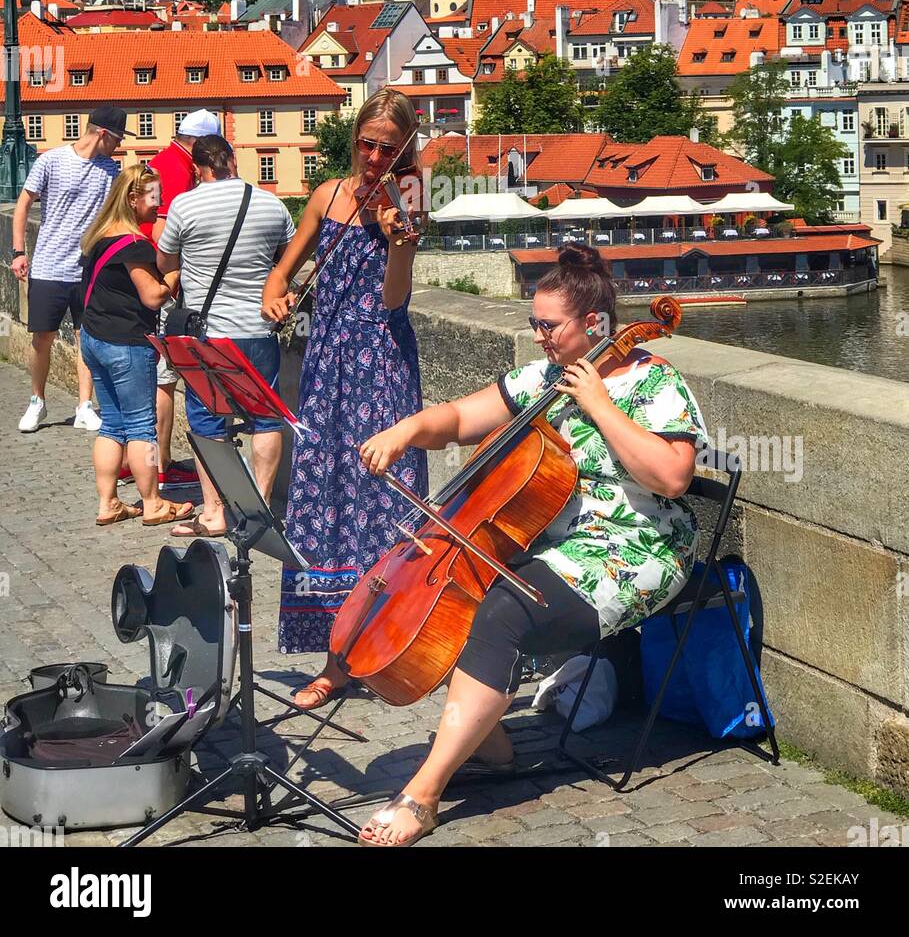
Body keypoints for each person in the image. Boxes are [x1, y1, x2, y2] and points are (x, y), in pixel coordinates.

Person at [353, 245, 705, 847]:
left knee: (502, 614)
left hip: (637, 553)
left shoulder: (655, 381)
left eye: (550, 326)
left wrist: (597, 403)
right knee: (451, 590)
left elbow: (673, 477)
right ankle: (489, 741)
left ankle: (425, 794)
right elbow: (461, 419)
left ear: (594, 325)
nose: (539, 336)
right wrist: (408, 429)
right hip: (561, 548)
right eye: (534, 323)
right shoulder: (543, 379)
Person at [262, 87, 428, 710]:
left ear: (403, 151)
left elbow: (393, 301)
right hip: (326, 369)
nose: (375, 157)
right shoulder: (329, 195)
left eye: (388, 148)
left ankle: (389, 645)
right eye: (366, 143)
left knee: (385, 503)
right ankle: (334, 659)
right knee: (325, 504)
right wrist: (275, 294)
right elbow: (284, 269)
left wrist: (399, 242)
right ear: (353, 137)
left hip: (381, 368)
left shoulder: (408, 202)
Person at [156, 134, 296, 538]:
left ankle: (216, 512)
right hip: (259, 327)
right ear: (233, 160)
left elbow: (165, 259)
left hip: (209, 334)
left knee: (206, 421)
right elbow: (289, 259)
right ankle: (262, 510)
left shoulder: (185, 205)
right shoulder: (271, 203)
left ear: (198, 168)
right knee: (267, 418)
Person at [79, 163, 193, 528]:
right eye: (153, 197)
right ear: (132, 198)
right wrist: (174, 275)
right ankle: (154, 502)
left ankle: (108, 502)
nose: (158, 205)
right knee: (142, 426)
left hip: (94, 337)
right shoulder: (134, 244)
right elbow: (152, 297)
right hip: (126, 343)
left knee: (112, 423)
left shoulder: (100, 235)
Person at [11, 106, 128, 434]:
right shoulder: (51, 160)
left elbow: (116, 218)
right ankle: (37, 400)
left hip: (88, 270)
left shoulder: (110, 171)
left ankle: (84, 406)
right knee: (42, 338)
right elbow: (23, 204)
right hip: (48, 266)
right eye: (118, 138)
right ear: (103, 133)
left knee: (85, 338)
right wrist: (19, 252)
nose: (119, 145)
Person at [137, 108, 221, 478]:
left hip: (150, 279)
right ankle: (161, 464)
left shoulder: (160, 163)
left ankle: (153, 460)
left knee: (159, 378)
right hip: (165, 283)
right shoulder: (174, 169)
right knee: (165, 378)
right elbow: (159, 233)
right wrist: (181, 274)